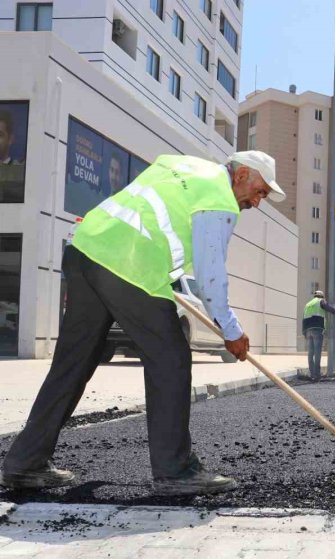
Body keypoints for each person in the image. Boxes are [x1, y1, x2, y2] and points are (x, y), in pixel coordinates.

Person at [0, 150, 285, 495]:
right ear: (241, 175)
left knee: (73, 362)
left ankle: (25, 462)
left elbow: (154, 215)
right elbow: (211, 277)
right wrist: (232, 330)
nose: (257, 202)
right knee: (171, 360)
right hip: (130, 264)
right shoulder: (219, 196)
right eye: (260, 191)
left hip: (86, 248)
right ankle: (175, 471)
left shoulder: (184, 166)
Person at [303, 291, 335, 382]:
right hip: (317, 329)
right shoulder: (321, 301)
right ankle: (317, 375)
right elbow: (333, 311)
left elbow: (303, 319)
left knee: (310, 353)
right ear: (322, 296)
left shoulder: (307, 304)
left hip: (308, 330)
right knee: (317, 352)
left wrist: (304, 333)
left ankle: (312, 374)